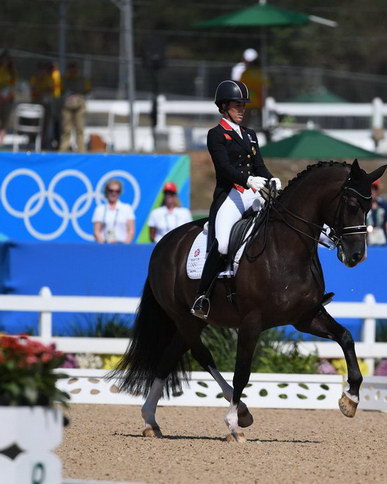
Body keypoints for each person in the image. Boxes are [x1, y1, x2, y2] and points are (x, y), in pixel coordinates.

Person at [191, 80, 281, 319]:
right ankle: (203, 296)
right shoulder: (216, 134)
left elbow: (259, 165)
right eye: (237, 105)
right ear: (223, 106)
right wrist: (248, 180)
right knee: (221, 244)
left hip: (254, 194)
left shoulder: (250, 135)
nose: (242, 109)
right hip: (231, 195)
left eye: (244, 106)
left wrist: (272, 180)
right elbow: (223, 167)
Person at [59, 61, 91, 153]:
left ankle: (81, 150)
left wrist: (79, 98)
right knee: (66, 129)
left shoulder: (82, 79)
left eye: (74, 68)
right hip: (67, 107)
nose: (72, 71)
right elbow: (60, 91)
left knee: (80, 129)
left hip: (79, 107)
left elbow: (88, 91)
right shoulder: (65, 79)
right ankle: (64, 149)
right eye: (70, 69)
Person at [92, 179, 135, 244]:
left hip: (122, 247)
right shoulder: (99, 209)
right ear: (107, 191)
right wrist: (104, 245)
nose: (114, 193)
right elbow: (96, 232)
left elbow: (131, 231)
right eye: (111, 191)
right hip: (104, 246)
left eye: (117, 191)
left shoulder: (127, 208)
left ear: (120, 192)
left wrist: (125, 246)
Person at [240, 50, 268, 130]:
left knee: (244, 123)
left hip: (247, 102)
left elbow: (241, 87)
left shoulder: (245, 74)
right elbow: (266, 88)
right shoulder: (261, 73)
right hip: (259, 102)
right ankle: (268, 140)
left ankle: (240, 140)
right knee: (262, 125)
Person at [0, 50, 18, 145]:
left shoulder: (12, 72)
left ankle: (1, 141)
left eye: (8, 59)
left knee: (5, 122)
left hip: (7, 100)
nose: (6, 61)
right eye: (5, 59)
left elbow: (13, 84)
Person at [366, 180, 387, 245]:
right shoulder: (364, 205)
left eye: (375, 189)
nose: (373, 191)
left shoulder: (383, 204)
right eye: (371, 189)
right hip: (368, 235)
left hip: (381, 233)